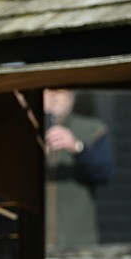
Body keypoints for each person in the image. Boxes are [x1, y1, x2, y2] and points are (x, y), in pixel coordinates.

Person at [44, 88, 114, 249]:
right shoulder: (26, 130)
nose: (54, 97)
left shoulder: (92, 129)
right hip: (35, 244)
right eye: (48, 90)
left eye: (61, 90)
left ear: (72, 95)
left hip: (76, 244)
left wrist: (77, 147)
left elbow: (105, 173)